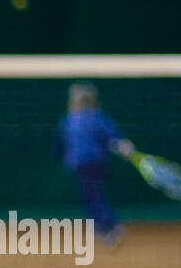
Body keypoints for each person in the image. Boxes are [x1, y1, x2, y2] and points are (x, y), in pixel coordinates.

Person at [54, 82, 134, 247]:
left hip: (84, 165)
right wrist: (122, 146)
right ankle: (105, 227)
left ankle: (109, 228)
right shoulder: (96, 118)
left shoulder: (70, 121)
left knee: (94, 197)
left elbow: (60, 146)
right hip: (96, 164)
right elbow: (114, 139)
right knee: (94, 195)